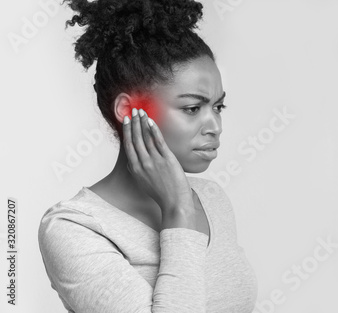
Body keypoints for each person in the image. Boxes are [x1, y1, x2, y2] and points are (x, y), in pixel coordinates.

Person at [37, 0, 258, 312]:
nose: (215, 126)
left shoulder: (212, 198)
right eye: (192, 108)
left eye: (218, 107)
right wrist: (178, 210)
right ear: (129, 110)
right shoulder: (74, 227)